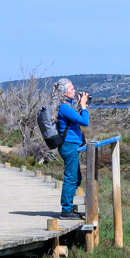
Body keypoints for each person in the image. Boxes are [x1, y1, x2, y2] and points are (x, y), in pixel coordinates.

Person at [55, 79, 89, 218]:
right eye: (71, 89)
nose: (75, 91)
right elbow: (85, 121)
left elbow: (78, 119)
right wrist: (84, 107)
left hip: (71, 145)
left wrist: (82, 106)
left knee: (77, 178)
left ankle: (68, 206)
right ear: (63, 92)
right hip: (68, 145)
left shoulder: (67, 106)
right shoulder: (64, 107)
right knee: (71, 177)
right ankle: (66, 210)